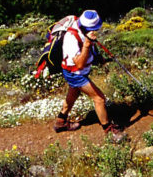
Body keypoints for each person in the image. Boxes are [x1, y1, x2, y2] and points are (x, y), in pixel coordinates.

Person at [54, 9, 126, 141]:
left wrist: (98, 58)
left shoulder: (84, 30)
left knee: (73, 94)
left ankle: (61, 121)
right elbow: (79, 64)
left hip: (76, 72)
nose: (95, 31)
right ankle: (110, 131)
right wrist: (87, 45)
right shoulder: (71, 38)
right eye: (93, 28)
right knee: (99, 98)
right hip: (75, 73)